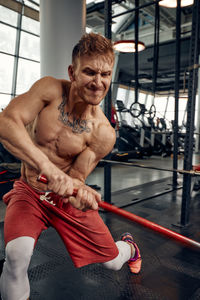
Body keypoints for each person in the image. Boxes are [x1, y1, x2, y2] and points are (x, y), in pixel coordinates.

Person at [0, 33, 141, 300]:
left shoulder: (103, 133)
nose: (98, 82)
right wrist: (48, 169)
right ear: (72, 72)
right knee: (16, 256)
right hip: (30, 191)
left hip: (64, 200)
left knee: (111, 261)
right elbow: (6, 122)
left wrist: (80, 194)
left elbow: (75, 179)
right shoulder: (49, 90)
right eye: (89, 72)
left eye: (105, 74)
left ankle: (129, 248)